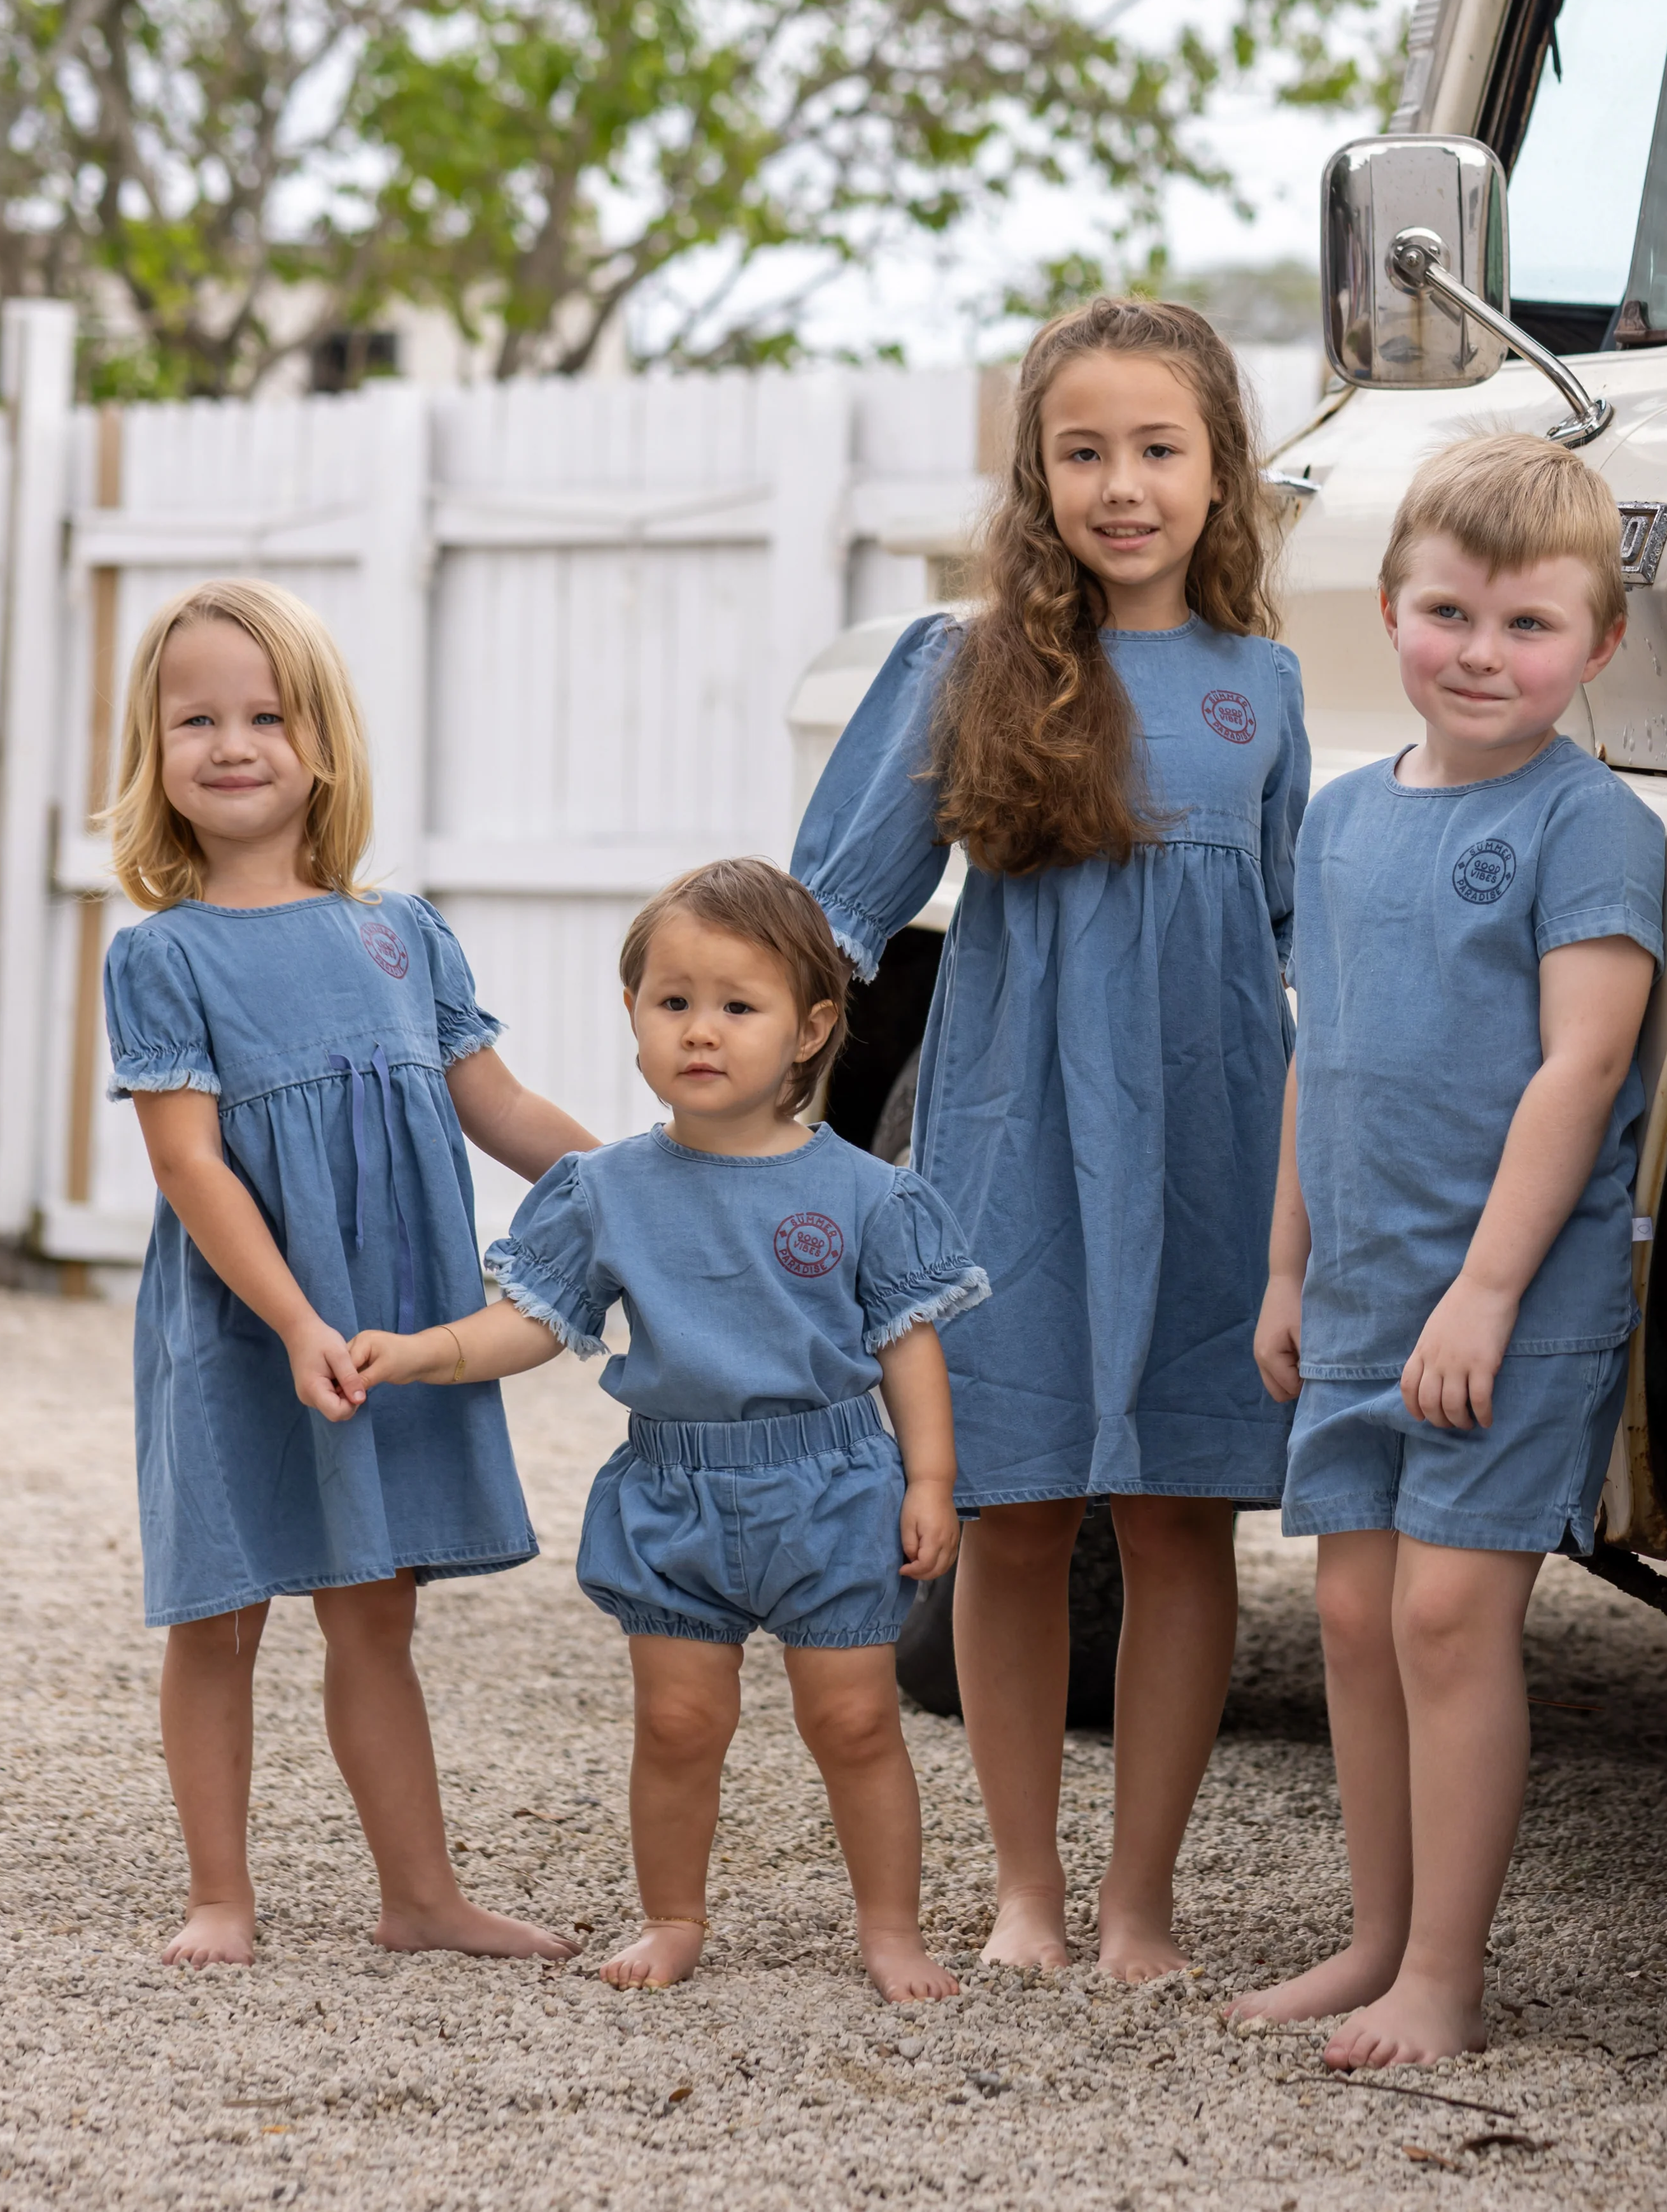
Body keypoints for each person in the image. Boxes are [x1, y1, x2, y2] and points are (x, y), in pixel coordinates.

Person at [791, 296, 1307, 1979]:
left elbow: (1316, 936)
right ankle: (1022, 1889)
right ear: (1034, 476)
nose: (1121, 484)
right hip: (1009, 1150)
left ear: (1221, 471)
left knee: (1177, 1517)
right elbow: (829, 919)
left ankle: (1135, 1903)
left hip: (1212, 1149)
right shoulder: (964, 667)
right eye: (1080, 450)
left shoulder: (1263, 687)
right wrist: (739, 1109)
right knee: (1009, 1510)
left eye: (1159, 447)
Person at [352, 860, 986, 2002]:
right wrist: (421, 1352)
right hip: (674, 1495)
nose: (702, 1031)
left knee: (851, 1720)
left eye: (739, 1006)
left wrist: (930, 1478)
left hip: (832, 1487)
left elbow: (908, 1345)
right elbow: (531, 1322)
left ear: (811, 1028)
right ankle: (674, 1916)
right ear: (635, 1015)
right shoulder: (604, 1189)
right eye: (673, 1001)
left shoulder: (863, 1195)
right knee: (680, 1721)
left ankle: (892, 1929)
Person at [1231, 432, 1665, 2066]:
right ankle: (1376, 1936)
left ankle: (1447, 1979)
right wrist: (1285, 1267)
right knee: (1352, 1620)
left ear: (1599, 646)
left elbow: (1585, 1066)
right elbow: (1314, 1055)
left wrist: (1485, 1291)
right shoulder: (1340, 823)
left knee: (1444, 1622)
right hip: (1354, 1295)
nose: (1483, 653)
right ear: (1391, 609)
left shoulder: (1591, 825)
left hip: (1509, 1303)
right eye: (1450, 613)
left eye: (1530, 626)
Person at [99, 578, 597, 1969]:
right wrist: (296, 1318)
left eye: (266, 713)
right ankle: (221, 1897)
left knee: (374, 1611)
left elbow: (494, 1106)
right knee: (220, 1612)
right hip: (249, 1318)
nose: (233, 741)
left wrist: (628, 1185)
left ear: (321, 742)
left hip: (384, 1318)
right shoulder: (163, 956)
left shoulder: (402, 933)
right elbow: (191, 1165)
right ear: (153, 753)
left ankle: (421, 1896)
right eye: (194, 717)